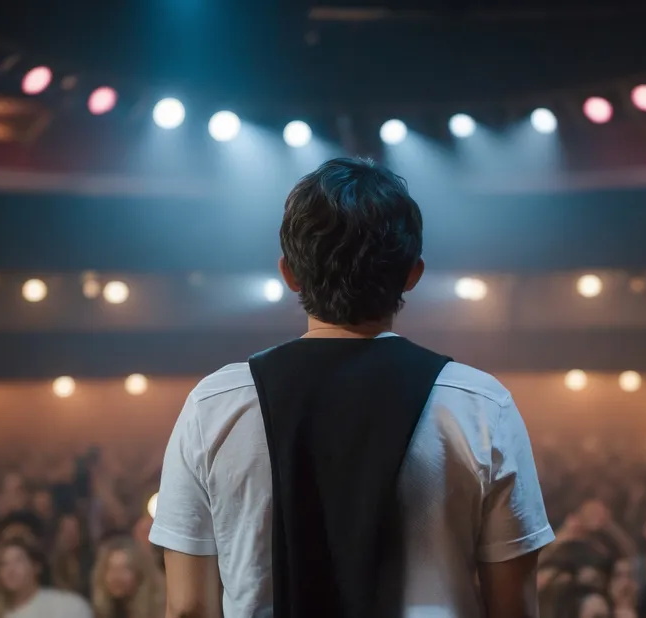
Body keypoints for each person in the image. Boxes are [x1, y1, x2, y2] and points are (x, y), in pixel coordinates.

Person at [150, 158, 554, 618]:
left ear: (289, 274)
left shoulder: (215, 406)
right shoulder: (480, 407)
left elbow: (188, 608)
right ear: (412, 274)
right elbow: (514, 609)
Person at [0, 539, 91, 618]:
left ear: (36, 567)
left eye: (18, 561)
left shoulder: (68, 605)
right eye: (3, 564)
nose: (11, 570)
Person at [89, 536, 163, 618]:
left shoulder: (159, 610)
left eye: (124, 569)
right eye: (110, 569)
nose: (116, 577)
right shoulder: (101, 611)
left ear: (140, 574)